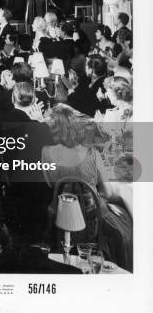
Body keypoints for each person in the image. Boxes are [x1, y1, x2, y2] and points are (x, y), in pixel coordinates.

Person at [42, 104, 132, 271]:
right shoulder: (92, 153)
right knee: (126, 221)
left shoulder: (46, 152)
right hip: (92, 218)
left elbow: (50, 185)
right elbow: (108, 192)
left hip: (60, 215)